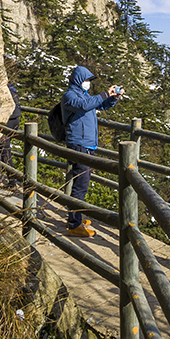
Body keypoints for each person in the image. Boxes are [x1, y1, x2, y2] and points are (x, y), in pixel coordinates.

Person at [59, 65, 121, 237]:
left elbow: (100, 105)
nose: (88, 83)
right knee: (81, 185)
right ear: (78, 80)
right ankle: (74, 224)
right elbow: (86, 105)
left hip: (86, 144)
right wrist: (105, 94)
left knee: (81, 183)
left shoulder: (84, 96)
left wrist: (112, 98)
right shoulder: (70, 96)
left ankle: (75, 217)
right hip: (79, 144)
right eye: (86, 80)